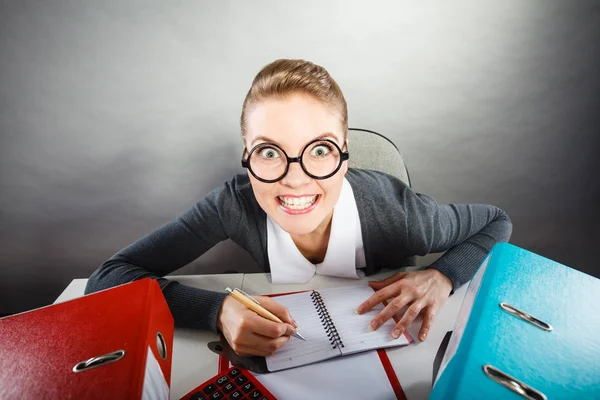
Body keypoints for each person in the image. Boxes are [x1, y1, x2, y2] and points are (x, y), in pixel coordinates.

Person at [85, 59, 512, 357]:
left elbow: (497, 221)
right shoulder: (233, 203)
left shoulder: (403, 217)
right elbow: (109, 277)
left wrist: (443, 275)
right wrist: (217, 310)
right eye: (270, 152)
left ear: (344, 153)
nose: (294, 179)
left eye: (320, 150)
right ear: (247, 157)